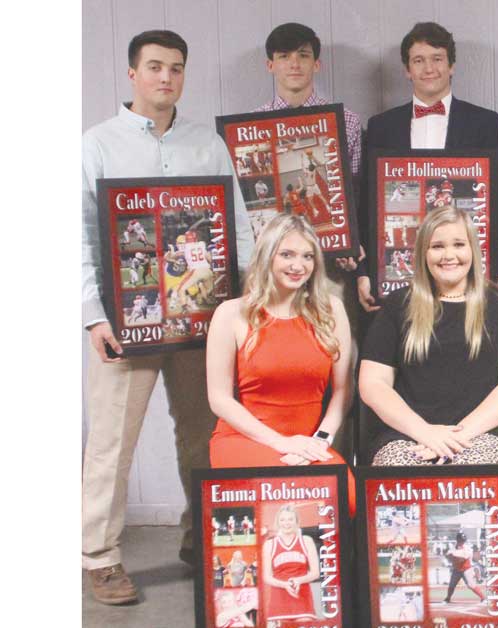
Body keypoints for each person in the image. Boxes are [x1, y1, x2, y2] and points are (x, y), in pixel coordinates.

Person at [81, 29, 254, 604]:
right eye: (155, 66)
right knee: (112, 442)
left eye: (176, 68)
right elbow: (78, 236)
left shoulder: (207, 144)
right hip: (125, 322)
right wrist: (93, 316)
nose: (166, 77)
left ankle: (199, 536)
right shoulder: (97, 144)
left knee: (205, 434)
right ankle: (100, 557)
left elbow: (238, 225)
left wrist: (247, 301)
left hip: (202, 318)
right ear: (132, 73)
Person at [359, 206, 498, 465]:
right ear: (424, 252)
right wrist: (426, 433)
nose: (449, 255)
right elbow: (373, 383)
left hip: (486, 433)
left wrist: (454, 438)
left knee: (473, 469)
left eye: (459, 245)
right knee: (399, 466)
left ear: (473, 249)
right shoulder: (397, 305)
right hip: (410, 434)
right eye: (437, 246)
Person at [205, 214, 356, 512]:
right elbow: (219, 399)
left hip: (309, 443)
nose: (298, 266)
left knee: (345, 499)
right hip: (244, 439)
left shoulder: (332, 310)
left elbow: (343, 390)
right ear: (267, 256)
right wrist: (281, 443)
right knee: (283, 499)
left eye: (307, 256)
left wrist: (321, 440)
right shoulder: (230, 314)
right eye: (287, 254)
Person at [363, 21, 498, 313]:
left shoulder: (485, 122)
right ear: (407, 70)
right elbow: (369, 208)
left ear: (451, 65)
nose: (429, 68)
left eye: (437, 59)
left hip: (466, 267)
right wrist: (364, 273)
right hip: (401, 269)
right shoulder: (381, 126)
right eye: (418, 60)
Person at [255, 23, 366, 337]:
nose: (294, 64)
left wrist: (350, 242)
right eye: (284, 56)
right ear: (270, 65)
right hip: (273, 264)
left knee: (335, 343)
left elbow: (356, 192)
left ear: (316, 64)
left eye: (303, 55)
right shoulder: (252, 125)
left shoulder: (347, 121)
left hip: (330, 262)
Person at [262, 504, 319, 623]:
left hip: (302, 597)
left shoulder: (306, 541)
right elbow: (267, 577)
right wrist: (284, 585)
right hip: (279, 599)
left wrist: (299, 580)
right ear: (277, 522)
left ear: (297, 521)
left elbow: (315, 573)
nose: (286, 523)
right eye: (282, 520)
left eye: (290, 519)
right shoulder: (269, 544)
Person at [440, 531, 486, 604]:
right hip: (457, 569)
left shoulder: (467, 548)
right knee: (452, 585)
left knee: (471, 585)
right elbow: (448, 555)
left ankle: (483, 598)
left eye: (463, 541)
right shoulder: (453, 548)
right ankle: (447, 598)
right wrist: (452, 557)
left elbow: (462, 559)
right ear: (457, 540)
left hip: (466, 569)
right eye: (460, 540)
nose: (462, 542)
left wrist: (453, 557)